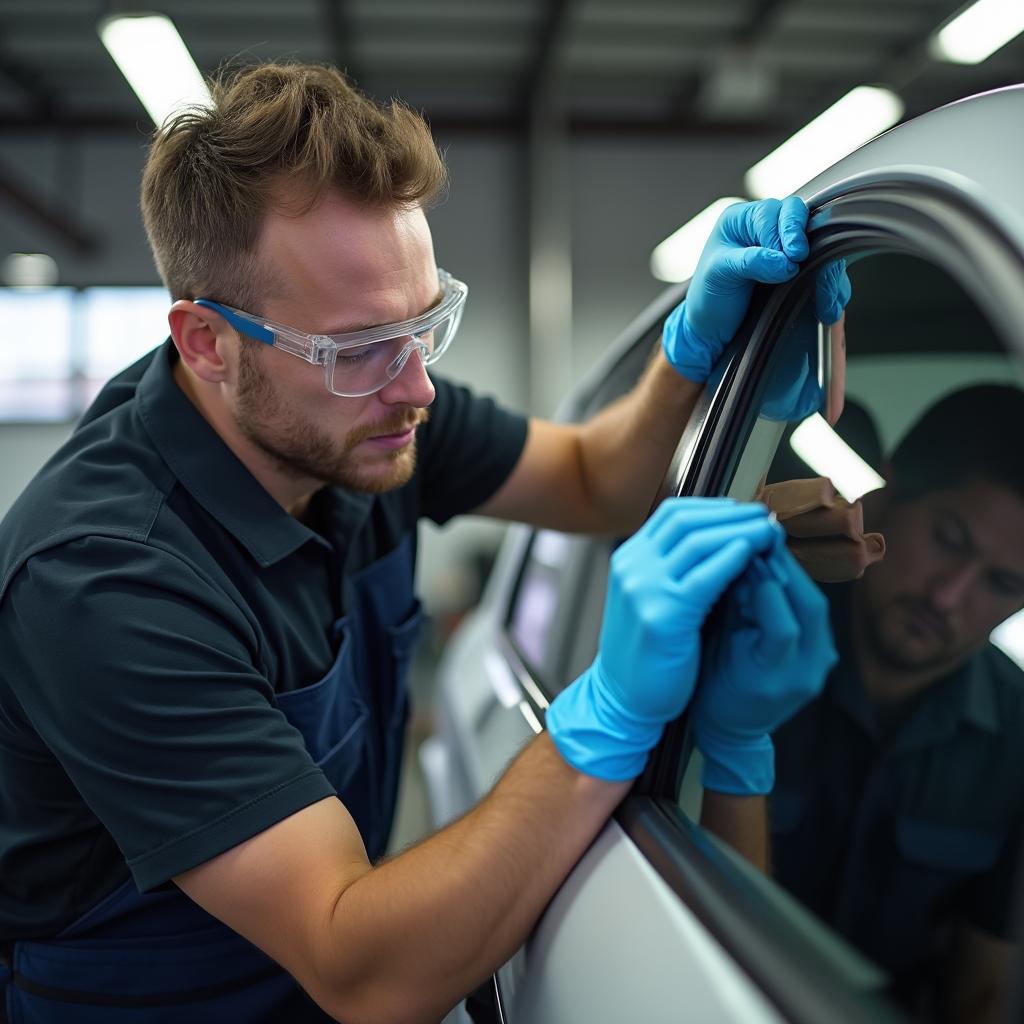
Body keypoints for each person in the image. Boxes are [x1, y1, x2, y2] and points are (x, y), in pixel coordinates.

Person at [0, 62, 836, 1023]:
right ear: (206, 344)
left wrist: (694, 351)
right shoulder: (106, 581)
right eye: (357, 347)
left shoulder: (365, 418)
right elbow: (363, 968)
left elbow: (590, 478)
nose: (419, 388)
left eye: (427, 322)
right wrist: (604, 716)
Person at [769, 384, 1024, 1024]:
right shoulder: (757, 642)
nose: (948, 596)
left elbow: (980, 987)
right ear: (885, 495)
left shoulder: (1017, 738)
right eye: (948, 538)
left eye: (1001, 583)